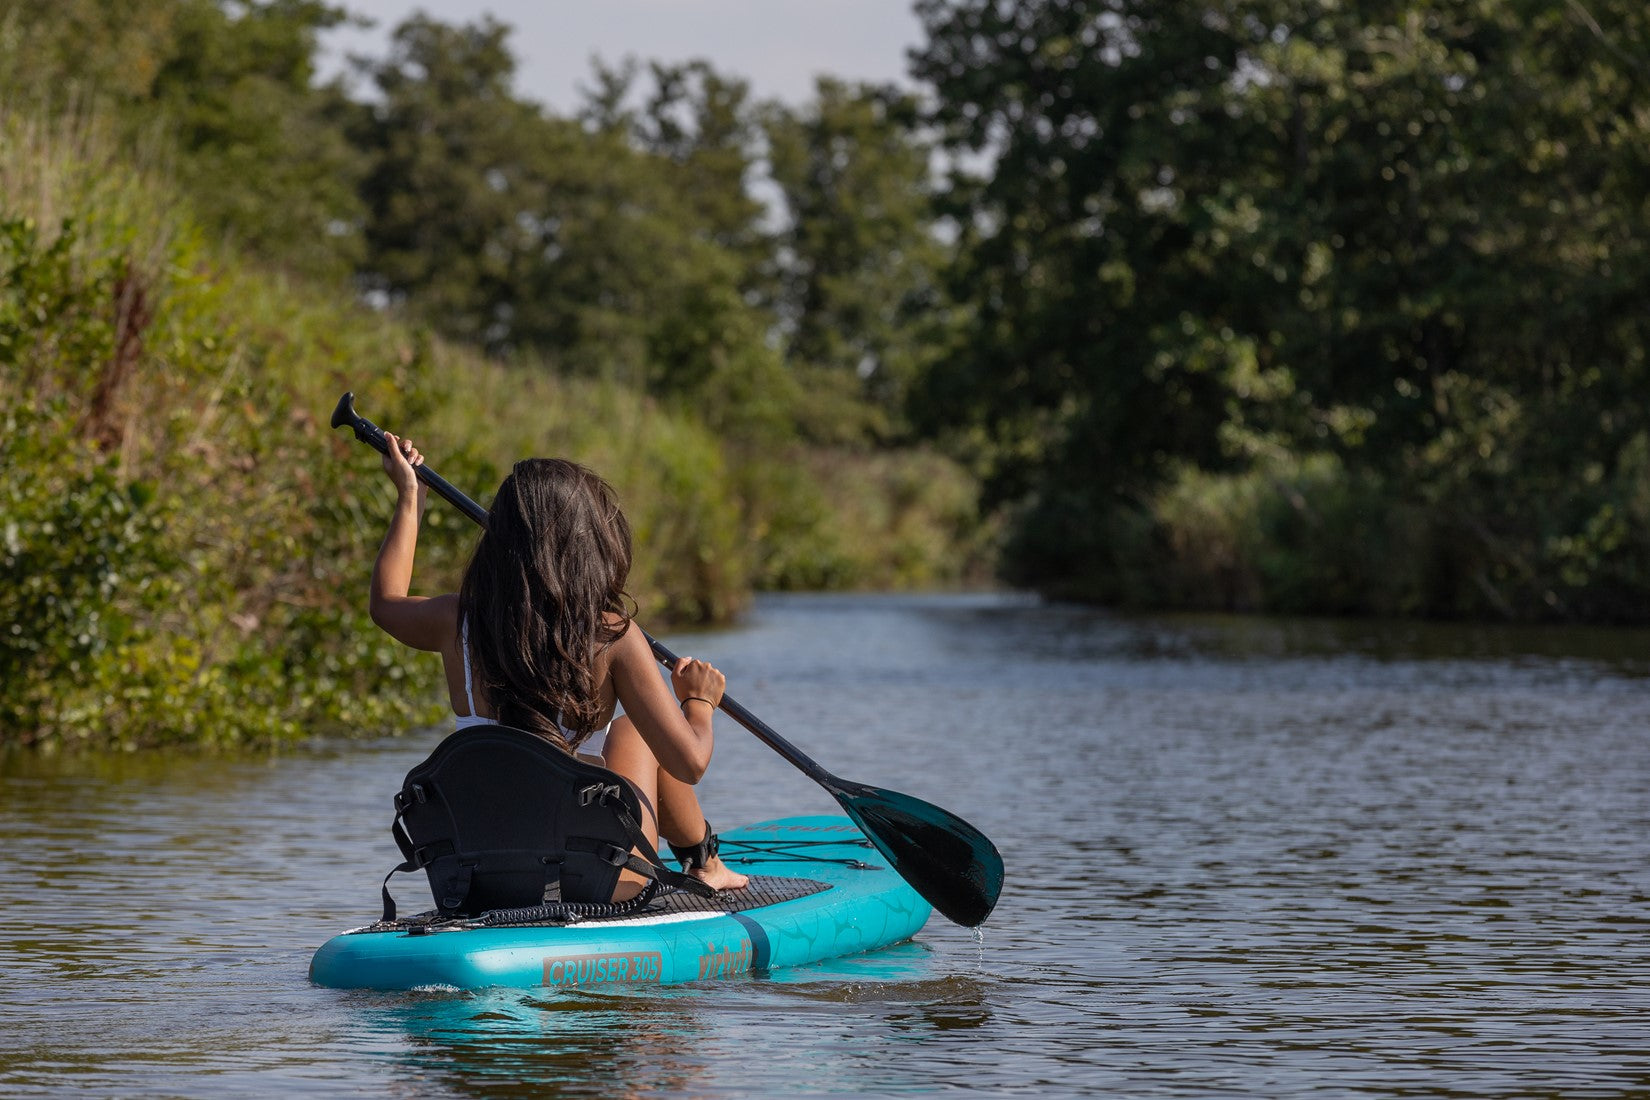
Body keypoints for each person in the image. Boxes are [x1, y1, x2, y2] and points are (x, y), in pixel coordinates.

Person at [368, 431, 748, 895]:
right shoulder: (614, 637)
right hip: (591, 882)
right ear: (588, 547)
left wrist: (410, 499)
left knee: (628, 734)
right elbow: (689, 763)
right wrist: (698, 703)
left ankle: (703, 859)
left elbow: (386, 603)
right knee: (636, 732)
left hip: (479, 878)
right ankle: (704, 861)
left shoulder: (456, 619)